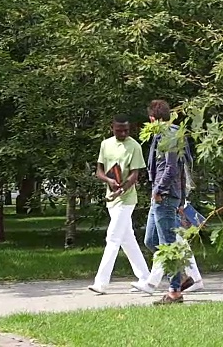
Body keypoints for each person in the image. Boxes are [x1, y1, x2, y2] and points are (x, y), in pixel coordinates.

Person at [87, 114, 151, 294]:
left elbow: (134, 175)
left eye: (126, 130)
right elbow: (99, 171)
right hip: (111, 198)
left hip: (126, 199)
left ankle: (101, 283)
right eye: (119, 130)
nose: (123, 133)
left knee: (113, 238)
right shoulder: (105, 144)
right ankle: (145, 277)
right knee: (127, 238)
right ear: (112, 128)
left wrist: (122, 189)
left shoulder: (134, 146)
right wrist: (109, 180)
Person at [135, 99, 189, 305]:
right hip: (160, 195)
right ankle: (181, 274)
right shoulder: (165, 134)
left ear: (152, 119)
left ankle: (175, 291)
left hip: (164, 195)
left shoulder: (170, 135)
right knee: (151, 240)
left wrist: (159, 190)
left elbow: (172, 168)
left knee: (167, 244)